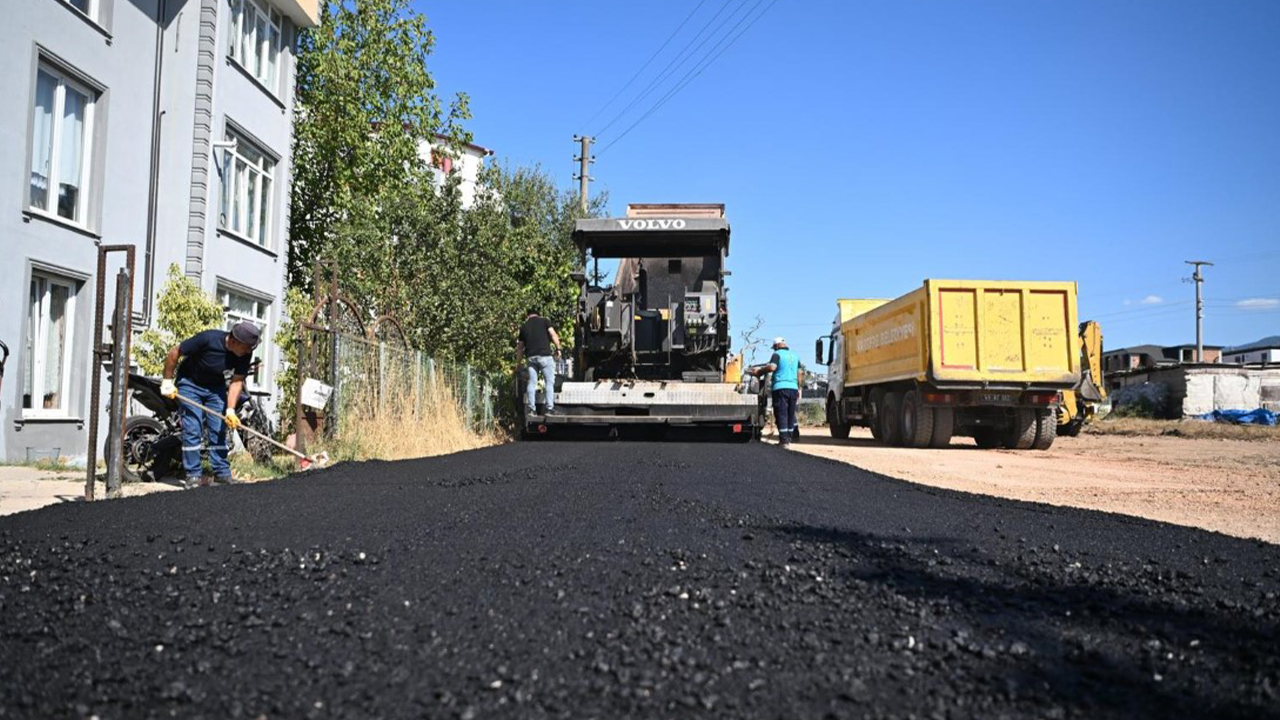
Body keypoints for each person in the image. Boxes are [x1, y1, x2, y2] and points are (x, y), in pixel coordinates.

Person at [159, 322, 260, 488]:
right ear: (234, 341)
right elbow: (174, 352)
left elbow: (237, 381)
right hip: (190, 383)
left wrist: (230, 410)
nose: (249, 351)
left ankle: (222, 474)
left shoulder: (244, 353)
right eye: (247, 347)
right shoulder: (208, 339)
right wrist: (167, 381)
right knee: (193, 428)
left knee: (219, 428)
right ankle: (193, 475)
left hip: (215, 387)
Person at [750, 337, 800, 446]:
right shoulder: (795, 355)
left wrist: (759, 371)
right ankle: (790, 438)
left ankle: (784, 441)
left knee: (781, 413)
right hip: (793, 387)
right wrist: (798, 387)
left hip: (780, 387)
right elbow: (799, 373)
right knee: (790, 414)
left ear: (776, 346)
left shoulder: (777, 354)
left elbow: (772, 367)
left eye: (774, 348)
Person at [516, 309, 562, 416]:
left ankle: (532, 410)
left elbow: (520, 347)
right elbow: (553, 335)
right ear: (538, 314)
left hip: (531, 358)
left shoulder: (524, 327)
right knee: (549, 382)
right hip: (545, 356)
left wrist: (518, 363)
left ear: (528, 316)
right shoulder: (545, 321)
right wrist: (558, 348)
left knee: (532, 382)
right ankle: (549, 409)